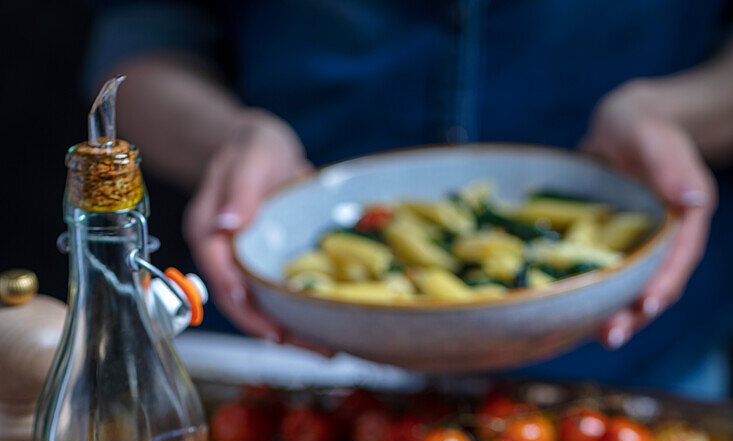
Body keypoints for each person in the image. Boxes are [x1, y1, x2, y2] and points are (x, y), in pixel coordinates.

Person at [86, 1, 733, 397]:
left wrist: (672, 117)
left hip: (637, 371)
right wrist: (227, 141)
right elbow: (140, 47)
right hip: (290, 368)